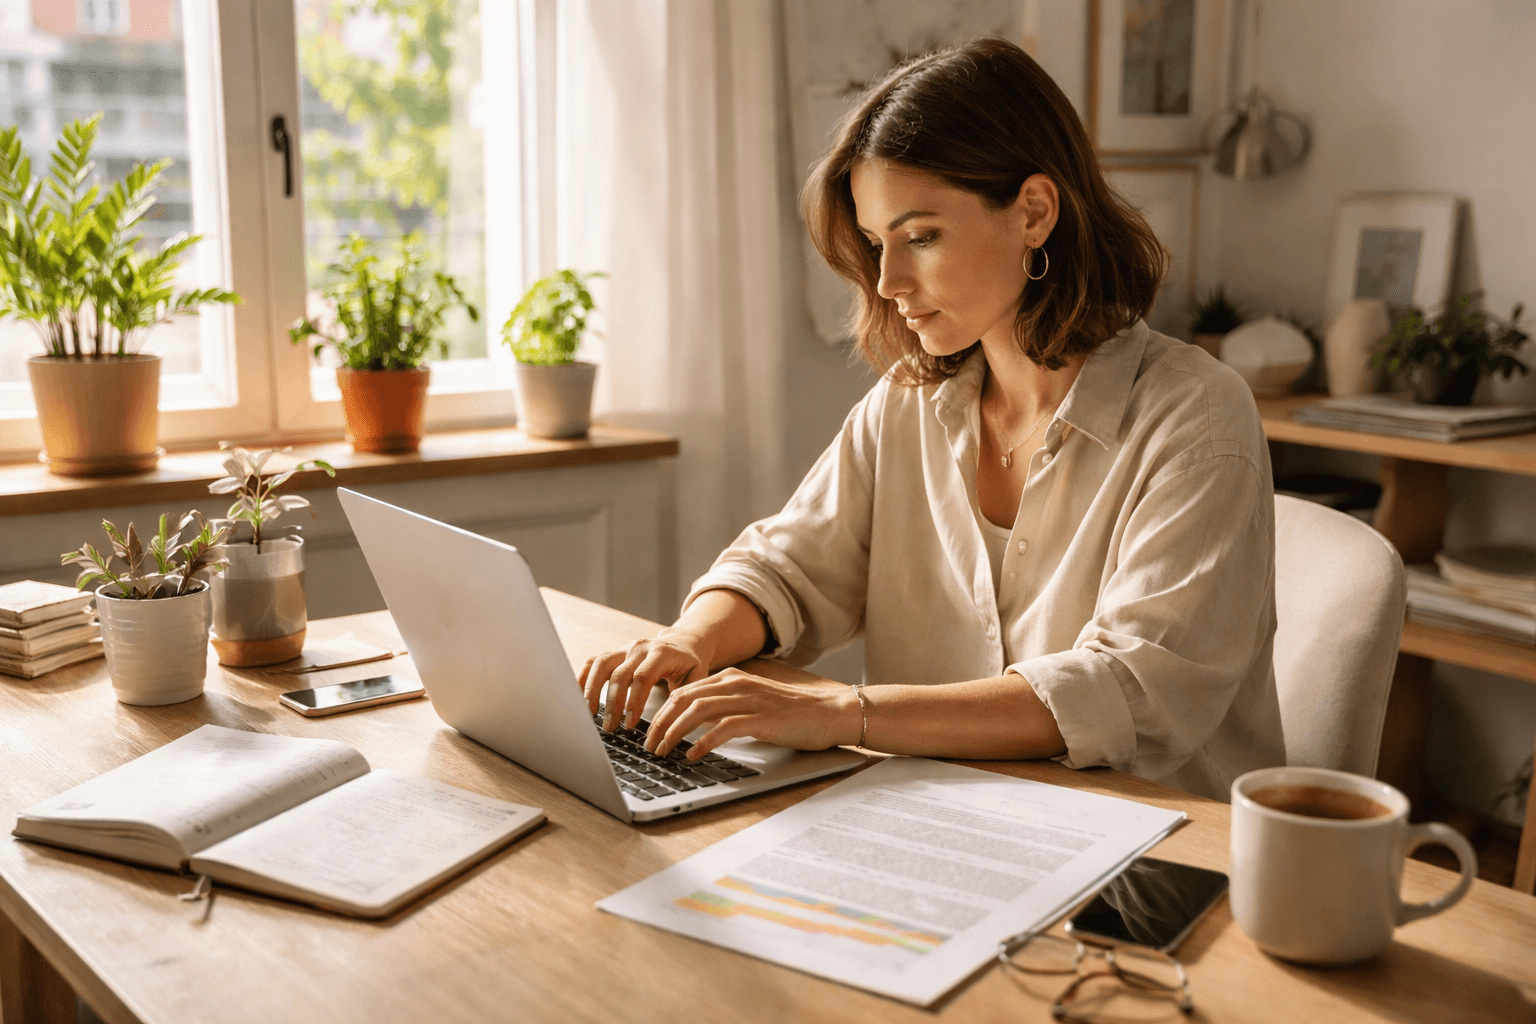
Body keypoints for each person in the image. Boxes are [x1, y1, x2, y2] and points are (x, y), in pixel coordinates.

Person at [578, 37, 1283, 801]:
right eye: (879, 244)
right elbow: (787, 567)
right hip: (940, 824)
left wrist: (842, 712)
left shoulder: (1198, 416)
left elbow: (1127, 690)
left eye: (921, 237)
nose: (887, 281)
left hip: (1153, 854)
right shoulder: (910, 403)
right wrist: (689, 643)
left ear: (1034, 213)